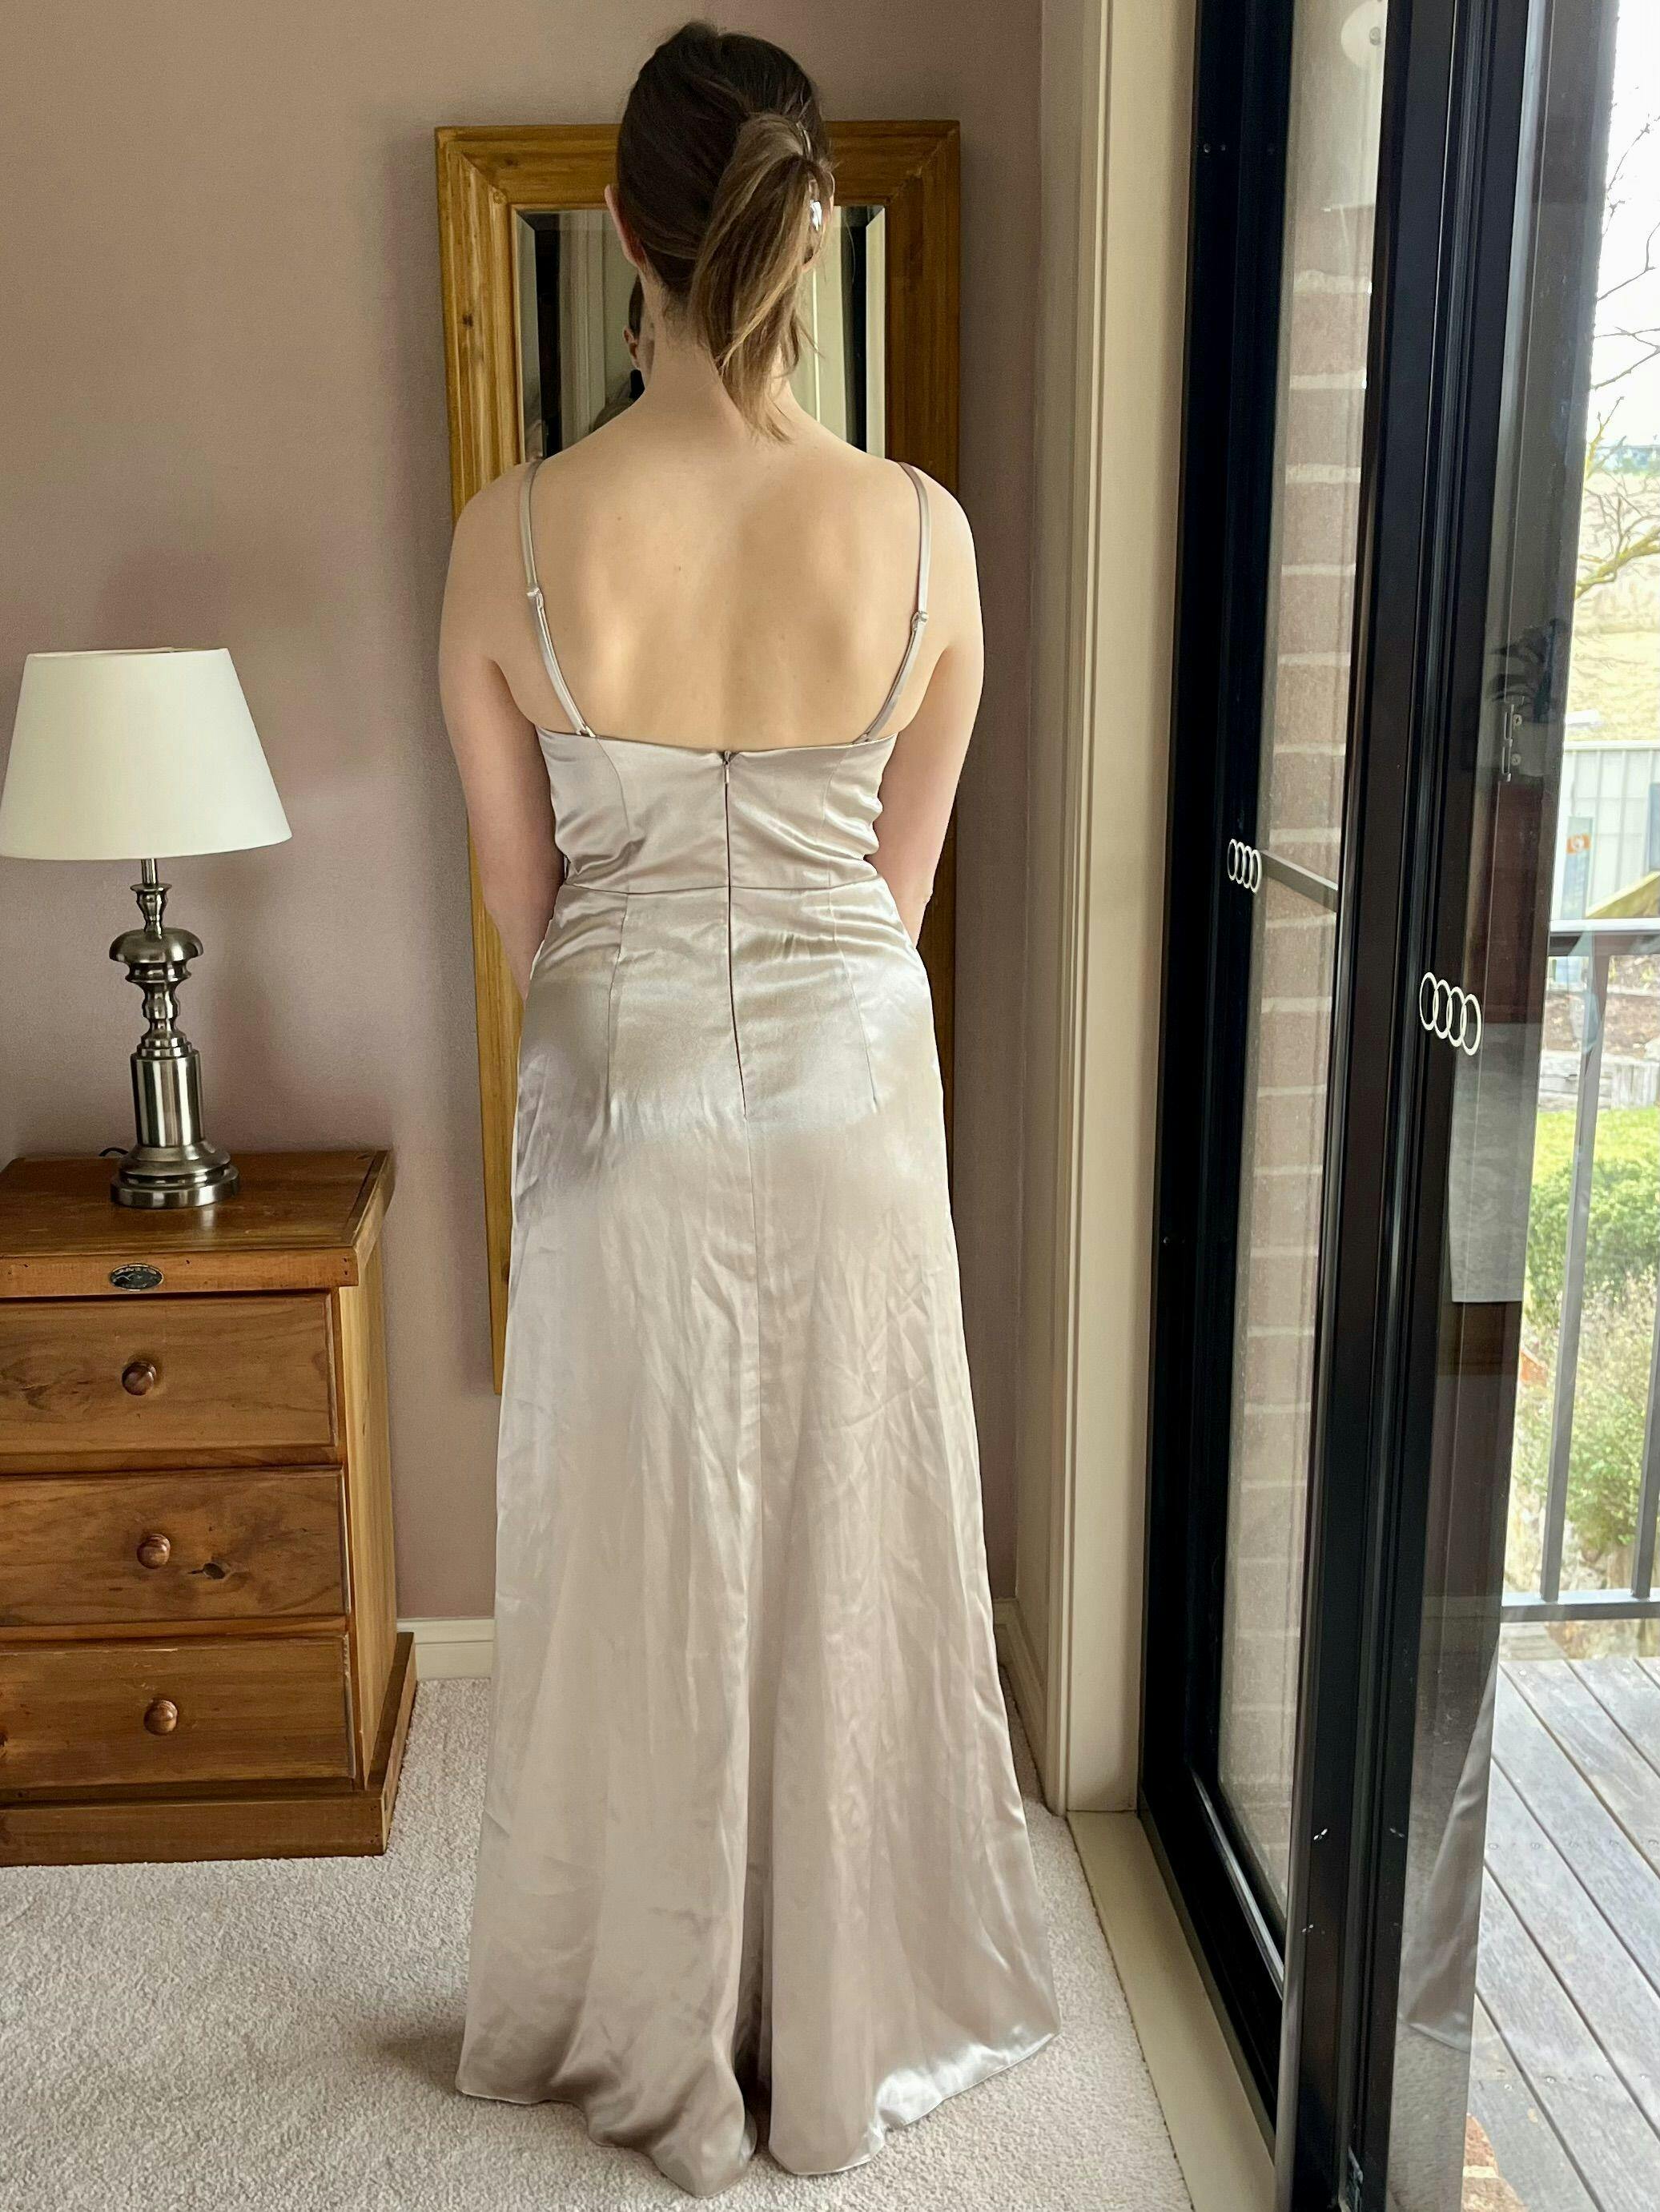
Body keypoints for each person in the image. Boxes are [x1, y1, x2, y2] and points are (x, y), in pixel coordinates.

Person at [439, 22, 1059, 2197]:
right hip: (847, 1091)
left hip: (620, 1094)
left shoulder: (510, 533)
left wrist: (646, 1039)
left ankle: (650, 2003)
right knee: (847, 1537)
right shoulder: (923, 535)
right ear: (813, 225)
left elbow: (527, 905)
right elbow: (892, 892)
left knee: (640, 1551)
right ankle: (839, 2008)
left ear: (623, 227)